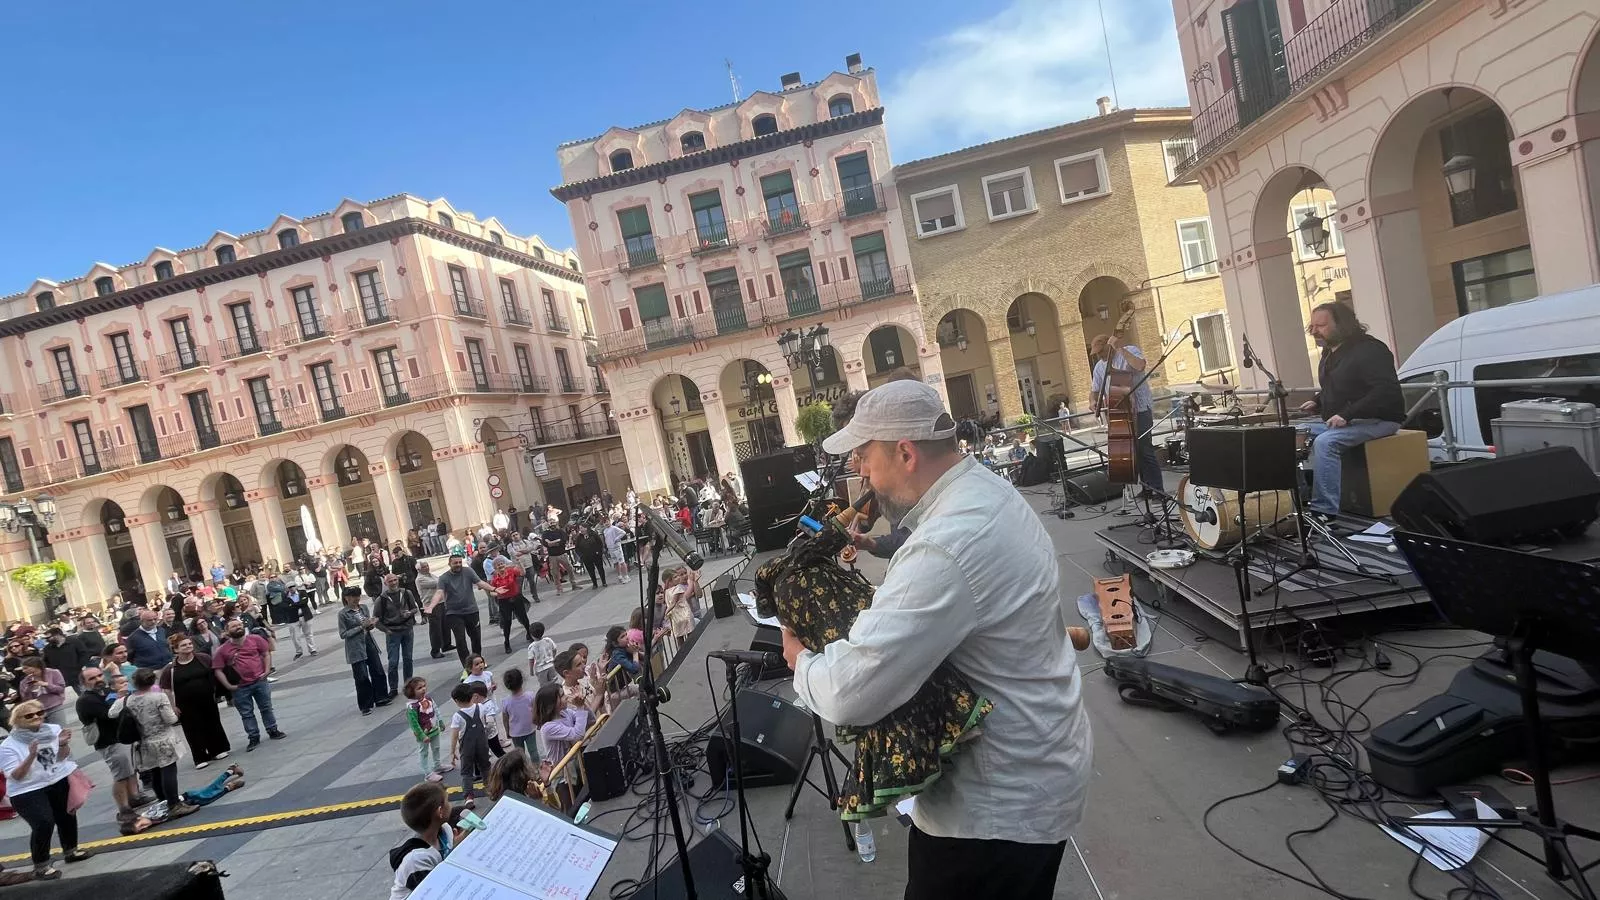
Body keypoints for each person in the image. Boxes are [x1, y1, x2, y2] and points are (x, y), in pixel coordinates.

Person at [784, 379, 1091, 900]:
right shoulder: (984, 492)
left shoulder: (946, 546)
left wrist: (800, 658)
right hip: (1038, 773)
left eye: (864, 456)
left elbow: (849, 692)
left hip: (993, 813)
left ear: (904, 453)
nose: (860, 472)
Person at [1296, 301, 1406, 519]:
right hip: (1348, 420)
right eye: (1313, 326)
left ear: (1342, 324)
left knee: (1326, 443)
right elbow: (1340, 385)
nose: (1314, 331)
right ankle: (1299, 500)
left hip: (1379, 420)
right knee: (1292, 434)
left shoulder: (1370, 350)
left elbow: (1384, 389)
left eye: (1321, 325)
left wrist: (1347, 414)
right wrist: (1317, 401)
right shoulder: (1330, 352)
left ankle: (1324, 512)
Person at [1, 700, 91, 879]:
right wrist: (31, 755)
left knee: (67, 815)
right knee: (43, 822)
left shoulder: (52, 731)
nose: (37, 717)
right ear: (16, 720)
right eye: (29, 715)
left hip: (55, 779)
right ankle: (41, 865)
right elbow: (16, 776)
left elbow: (60, 758)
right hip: (27, 789)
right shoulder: (8, 746)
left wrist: (63, 744)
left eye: (40, 713)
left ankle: (71, 851)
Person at [117, 668, 198, 817]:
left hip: (143, 742)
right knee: (168, 771)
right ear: (152, 681)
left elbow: (112, 713)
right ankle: (174, 804)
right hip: (163, 739)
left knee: (155, 772)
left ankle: (163, 801)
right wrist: (175, 714)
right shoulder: (158, 697)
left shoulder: (128, 699)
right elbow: (170, 719)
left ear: (134, 683)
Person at [1090, 331, 1164, 492]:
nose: (1099, 356)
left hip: (1141, 409)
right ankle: (1147, 490)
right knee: (1133, 453)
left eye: (1101, 352)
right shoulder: (1099, 367)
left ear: (1108, 347)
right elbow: (1095, 389)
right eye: (1096, 354)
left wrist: (1119, 348)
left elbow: (1140, 365)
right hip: (1120, 413)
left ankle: (1158, 490)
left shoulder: (1129, 351)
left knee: (1145, 450)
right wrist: (1092, 401)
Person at [75, 667, 149, 822]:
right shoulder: (86, 700)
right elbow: (109, 714)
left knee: (130, 770)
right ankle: (124, 809)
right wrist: (120, 699)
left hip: (122, 737)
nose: (98, 680)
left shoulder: (106, 692)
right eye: (92, 678)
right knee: (120, 775)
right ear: (83, 683)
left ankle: (134, 797)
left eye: (99, 675)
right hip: (109, 741)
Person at [212, 618, 286, 751]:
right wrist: (228, 686)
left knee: (266, 707)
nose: (238, 627)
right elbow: (218, 669)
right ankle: (253, 737)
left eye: (240, 625)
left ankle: (273, 730)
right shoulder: (222, 650)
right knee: (246, 713)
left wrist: (267, 670)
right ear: (227, 631)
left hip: (259, 681)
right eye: (234, 626)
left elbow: (266, 653)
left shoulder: (255, 639)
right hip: (240, 687)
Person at [159, 636, 229, 768]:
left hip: (207, 699)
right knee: (192, 730)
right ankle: (200, 757)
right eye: (184, 645)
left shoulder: (203, 658)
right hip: (185, 704)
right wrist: (172, 706)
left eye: (189, 643)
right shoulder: (171, 669)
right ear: (176, 650)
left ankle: (217, 750)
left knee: (212, 723)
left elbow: (214, 674)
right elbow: (166, 689)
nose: (188, 646)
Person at [389, 782, 458, 900]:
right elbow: (438, 893)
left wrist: (458, 846)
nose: (450, 805)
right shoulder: (416, 860)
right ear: (440, 811)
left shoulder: (444, 830)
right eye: (447, 801)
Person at [431, 551, 492, 671]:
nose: (458, 564)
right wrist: (432, 605)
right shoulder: (444, 578)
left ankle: (478, 663)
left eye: (460, 562)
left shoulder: (468, 571)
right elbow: (439, 592)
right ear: (449, 564)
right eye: (455, 563)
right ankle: (468, 667)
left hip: (471, 611)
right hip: (454, 613)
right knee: (460, 640)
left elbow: (479, 582)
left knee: (476, 638)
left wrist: (493, 588)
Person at [338, 587, 392, 715]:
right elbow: (343, 633)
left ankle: (381, 697)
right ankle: (365, 704)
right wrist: (360, 627)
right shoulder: (343, 614)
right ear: (346, 598)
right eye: (353, 596)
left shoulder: (363, 608)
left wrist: (371, 624)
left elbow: (368, 625)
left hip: (368, 642)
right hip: (355, 647)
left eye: (358, 596)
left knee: (377, 670)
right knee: (361, 676)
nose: (357, 599)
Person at [375, 573, 420, 698]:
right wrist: (385, 630)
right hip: (393, 632)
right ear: (386, 583)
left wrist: (410, 613)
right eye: (390, 581)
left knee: (408, 658)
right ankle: (393, 687)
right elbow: (376, 618)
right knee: (393, 661)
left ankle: (408, 684)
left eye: (395, 580)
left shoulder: (406, 593)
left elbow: (415, 608)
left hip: (407, 629)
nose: (394, 583)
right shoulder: (382, 599)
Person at [532, 683, 590, 774]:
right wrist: (579, 707)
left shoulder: (566, 713)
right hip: (562, 775)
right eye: (562, 695)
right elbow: (578, 734)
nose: (566, 697)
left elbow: (589, 720)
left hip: (576, 765)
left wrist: (582, 703)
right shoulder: (548, 728)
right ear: (551, 703)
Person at [448, 682, 492, 801]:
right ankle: (491, 788)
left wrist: (452, 752)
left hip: (467, 748)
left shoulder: (457, 716)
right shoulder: (480, 708)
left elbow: (454, 735)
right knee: (485, 767)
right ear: (472, 696)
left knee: (466, 772)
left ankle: (469, 796)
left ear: (456, 700)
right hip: (482, 744)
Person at [402, 677, 447, 782]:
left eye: (424, 686)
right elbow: (414, 723)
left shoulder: (429, 699)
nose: (423, 689)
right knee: (424, 752)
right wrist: (422, 735)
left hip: (434, 728)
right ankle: (427, 773)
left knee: (436, 747)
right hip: (423, 733)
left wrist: (440, 722)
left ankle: (437, 764)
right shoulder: (412, 707)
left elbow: (435, 709)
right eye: (419, 688)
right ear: (411, 692)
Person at [488, 556, 533, 655]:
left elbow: (522, 573)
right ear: (495, 567)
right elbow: (491, 592)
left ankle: (529, 633)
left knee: (523, 617)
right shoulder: (495, 579)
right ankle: (507, 642)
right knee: (507, 622)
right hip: (504, 601)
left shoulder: (512, 571)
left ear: (505, 564)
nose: (500, 566)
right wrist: (498, 592)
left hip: (516, 598)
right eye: (498, 565)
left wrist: (519, 563)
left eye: (501, 564)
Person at [17, 658, 69, 727]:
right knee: (45, 734)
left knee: (60, 730)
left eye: (26, 668)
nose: (23, 671)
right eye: (23, 669)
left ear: (35, 666)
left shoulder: (53, 673)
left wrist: (46, 684)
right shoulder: (24, 681)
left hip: (55, 707)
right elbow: (26, 700)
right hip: (38, 711)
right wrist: (28, 689)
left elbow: (60, 689)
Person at [500, 667, 538, 760]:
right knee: (533, 751)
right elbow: (535, 711)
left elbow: (505, 719)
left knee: (520, 754)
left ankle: (523, 770)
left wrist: (507, 731)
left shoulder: (506, 702)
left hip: (515, 732)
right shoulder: (530, 696)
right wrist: (538, 722)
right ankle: (537, 769)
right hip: (530, 729)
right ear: (522, 681)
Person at [40, 629, 90, 697]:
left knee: (85, 694)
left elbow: (84, 654)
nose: (47, 640)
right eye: (46, 638)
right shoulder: (47, 649)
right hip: (61, 679)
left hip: (77, 675)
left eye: (49, 637)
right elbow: (46, 663)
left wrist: (79, 666)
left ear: (57, 635)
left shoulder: (74, 642)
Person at [540, 521, 577, 594]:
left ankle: (574, 584)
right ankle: (559, 588)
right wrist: (556, 541)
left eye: (553, 522)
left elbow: (563, 540)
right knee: (555, 573)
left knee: (570, 568)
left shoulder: (560, 531)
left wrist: (552, 543)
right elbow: (545, 543)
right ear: (548, 524)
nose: (552, 524)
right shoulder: (545, 533)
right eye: (551, 522)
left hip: (562, 554)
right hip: (552, 556)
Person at [526, 622, 557, 687]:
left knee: (544, 685)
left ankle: (546, 695)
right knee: (553, 681)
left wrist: (531, 670)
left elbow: (531, 660)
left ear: (531, 635)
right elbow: (554, 649)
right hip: (551, 665)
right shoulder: (548, 640)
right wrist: (553, 657)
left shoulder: (531, 647)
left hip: (540, 669)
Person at [602, 519, 629, 584]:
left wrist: (617, 538)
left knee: (621, 561)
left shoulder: (614, 528)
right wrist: (607, 547)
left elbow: (623, 532)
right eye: (605, 522)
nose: (606, 523)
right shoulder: (605, 531)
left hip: (616, 547)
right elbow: (606, 539)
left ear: (609, 521)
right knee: (616, 563)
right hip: (610, 548)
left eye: (607, 522)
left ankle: (626, 576)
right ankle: (619, 576)